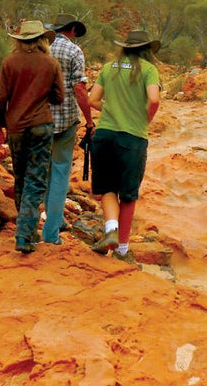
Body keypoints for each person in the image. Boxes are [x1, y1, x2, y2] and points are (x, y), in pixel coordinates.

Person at [88, 30, 160, 263]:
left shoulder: (109, 68)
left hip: (105, 134)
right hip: (133, 138)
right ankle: (122, 250)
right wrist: (144, 119)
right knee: (128, 195)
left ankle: (110, 230)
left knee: (107, 188)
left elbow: (92, 100)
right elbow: (154, 99)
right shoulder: (149, 70)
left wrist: (110, 111)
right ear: (146, 49)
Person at [0, 20, 64, 253]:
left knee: (21, 178)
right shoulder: (51, 64)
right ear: (43, 40)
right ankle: (25, 233)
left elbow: (1, 98)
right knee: (36, 180)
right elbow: (59, 98)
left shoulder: (9, 63)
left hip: (16, 128)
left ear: (20, 40)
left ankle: (26, 230)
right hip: (41, 126)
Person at [42, 13, 95, 245]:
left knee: (45, 172)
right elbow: (80, 90)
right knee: (61, 173)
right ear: (72, 30)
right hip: (65, 121)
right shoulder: (74, 52)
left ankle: (57, 219)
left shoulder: (42, 49)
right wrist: (89, 120)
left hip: (40, 120)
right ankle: (51, 233)